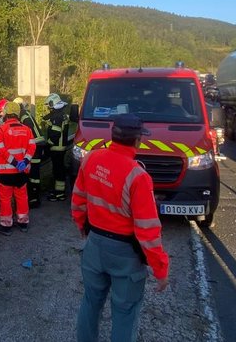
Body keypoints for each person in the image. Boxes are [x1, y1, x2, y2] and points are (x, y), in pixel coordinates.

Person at [72, 113, 169, 342]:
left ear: (112, 135)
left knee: (90, 302)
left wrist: (83, 227)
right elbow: (147, 231)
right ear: (138, 140)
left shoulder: (91, 159)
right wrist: (160, 268)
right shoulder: (139, 177)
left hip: (95, 244)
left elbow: (78, 200)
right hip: (125, 255)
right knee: (125, 313)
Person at [0, 101, 36, 235]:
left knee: (6, 199)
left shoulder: (1, 130)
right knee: (22, 197)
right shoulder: (27, 129)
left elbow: (1, 150)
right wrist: (24, 161)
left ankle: (6, 226)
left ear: (6, 114)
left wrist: (13, 162)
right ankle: (23, 223)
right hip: (22, 171)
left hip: (6, 172)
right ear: (18, 114)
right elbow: (32, 147)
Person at [14, 97, 45, 208]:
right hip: (38, 143)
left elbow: (22, 133)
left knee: (33, 173)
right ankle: (35, 196)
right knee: (34, 172)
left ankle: (34, 199)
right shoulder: (26, 113)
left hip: (35, 145)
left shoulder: (21, 116)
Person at [44, 93, 70, 201]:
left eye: (49, 105)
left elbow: (55, 134)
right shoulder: (62, 114)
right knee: (59, 170)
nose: (48, 107)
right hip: (61, 147)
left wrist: (47, 145)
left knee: (58, 171)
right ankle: (59, 191)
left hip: (56, 149)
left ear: (52, 104)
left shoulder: (56, 117)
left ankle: (59, 193)